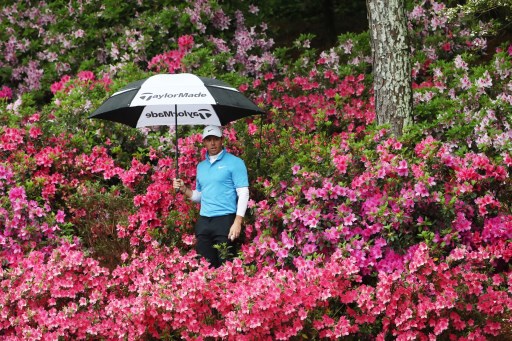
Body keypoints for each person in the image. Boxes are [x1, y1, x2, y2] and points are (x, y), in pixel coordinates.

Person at [173, 125, 250, 268]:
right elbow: (200, 196)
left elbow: (243, 193)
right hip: (204, 223)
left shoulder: (235, 162)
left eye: (215, 139)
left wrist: (238, 221)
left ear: (222, 140)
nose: (212, 143)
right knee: (206, 268)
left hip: (226, 221)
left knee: (227, 268)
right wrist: (184, 189)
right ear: (204, 143)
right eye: (208, 140)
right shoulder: (201, 167)